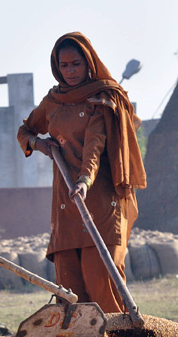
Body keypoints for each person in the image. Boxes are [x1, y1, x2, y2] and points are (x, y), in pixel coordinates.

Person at [16, 32, 146, 312]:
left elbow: (94, 147)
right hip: (66, 199)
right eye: (64, 65)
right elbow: (25, 130)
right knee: (69, 281)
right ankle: (77, 336)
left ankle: (119, 334)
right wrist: (39, 144)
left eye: (76, 64)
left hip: (99, 197)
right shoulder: (53, 101)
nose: (70, 71)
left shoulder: (102, 98)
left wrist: (85, 181)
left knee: (100, 276)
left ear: (88, 63)